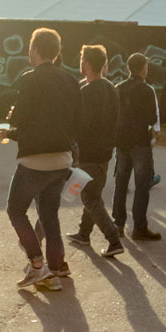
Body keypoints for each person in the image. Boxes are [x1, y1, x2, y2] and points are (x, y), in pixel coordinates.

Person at [4, 27, 80, 289]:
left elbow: (19, 119)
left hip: (34, 160)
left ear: (34, 50)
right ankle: (56, 271)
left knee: (15, 210)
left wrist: (10, 129)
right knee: (50, 216)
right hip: (62, 159)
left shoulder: (29, 79)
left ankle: (37, 265)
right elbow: (77, 120)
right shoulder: (71, 80)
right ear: (57, 52)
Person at [66, 44, 125, 257]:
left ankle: (113, 239)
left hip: (88, 153)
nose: (80, 63)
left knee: (90, 198)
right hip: (104, 152)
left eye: (82, 60)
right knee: (93, 194)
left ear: (87, 64)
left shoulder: (88, 92)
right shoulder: (111, 88)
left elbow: (81, 124)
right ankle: (84, 233)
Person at [111, 52, 161, 241]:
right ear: (143, 68)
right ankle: (139, 226)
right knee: (142, 185)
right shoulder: (146, 90)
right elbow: (151, 118)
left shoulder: (118, 88)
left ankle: (118, 224)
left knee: (121, 183)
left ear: (128, 68)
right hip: (140, 141)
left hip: (122, 141)